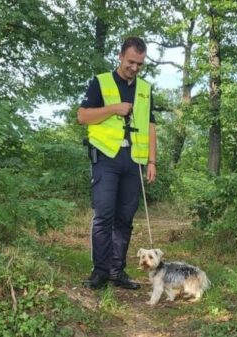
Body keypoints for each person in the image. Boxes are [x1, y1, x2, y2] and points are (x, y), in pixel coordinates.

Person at [77, 36, 157, 290]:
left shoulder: (145, 89)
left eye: (140, 64)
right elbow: (82, 116)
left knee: (125, 218)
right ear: (120, 56)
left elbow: (151, 126)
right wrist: (113, 108)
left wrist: (152, 161)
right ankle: (99, 272)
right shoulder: (100, 82)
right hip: (106, 158)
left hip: (133, 160)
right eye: (131, 62)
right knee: (104, 216)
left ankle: (116, 271)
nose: (134, 68)